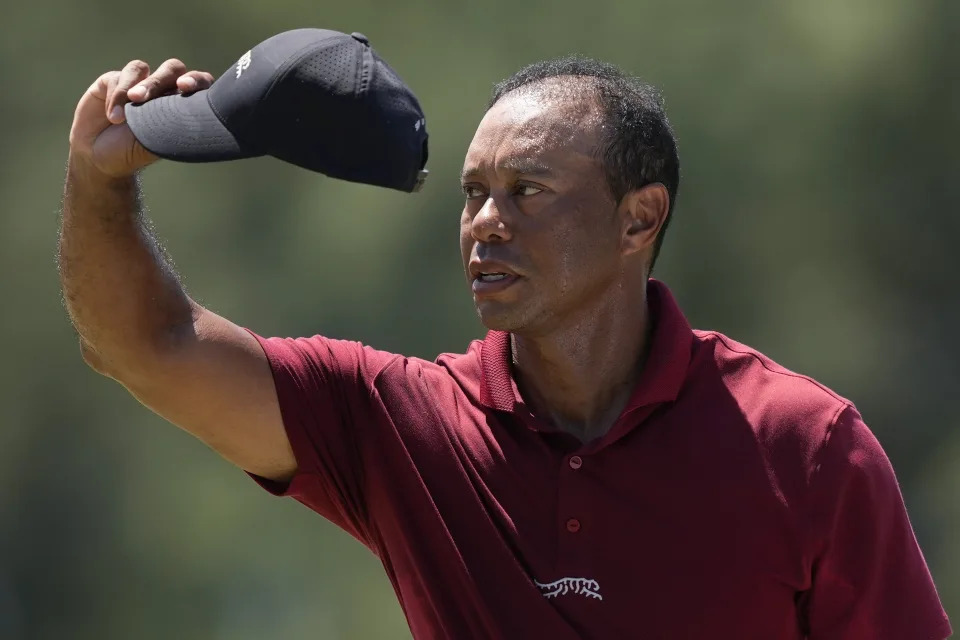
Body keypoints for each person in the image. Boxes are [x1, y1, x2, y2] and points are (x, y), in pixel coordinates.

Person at [59, 35, 951, 639]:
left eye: (528, 192)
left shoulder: (804, 444)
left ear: (640, 220)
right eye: (472, 194)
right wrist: (100, 184)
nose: (486, 222)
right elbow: (146, 344)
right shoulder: (396, 422)